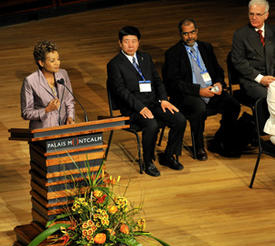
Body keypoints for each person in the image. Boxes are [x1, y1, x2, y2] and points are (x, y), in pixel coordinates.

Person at [107, 26, 186, 177]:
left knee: (180, 119)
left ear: (138, 42)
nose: (130, 45)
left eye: (134, 41)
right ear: (120, 44)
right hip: (133, 108)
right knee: (152, 124)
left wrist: (163, 99)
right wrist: (140, 107)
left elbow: (157, 81)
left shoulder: (146, 58)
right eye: (126, 42)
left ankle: (168, 156)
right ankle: (148, 161)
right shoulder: (114, 64)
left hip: (153, 103)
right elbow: (120, 91)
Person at [164, 18, 240, 159]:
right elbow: (173, 83)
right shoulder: (173, 53)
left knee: (233, 105)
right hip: (188, 94)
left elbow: (218, 71)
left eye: (192, 32)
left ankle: (220, 140)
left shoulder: (206, 48)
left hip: (211, 90)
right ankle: (198, 146)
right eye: (185, 34)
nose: (189, 37)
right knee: (199, 108)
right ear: (181, 35)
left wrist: (219, 83)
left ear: (197, 32)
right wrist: (198, 91)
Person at [21, 40, 75, 129]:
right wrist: (46, 110)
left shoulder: (63, 74)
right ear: (41, 63)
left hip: (64, 129)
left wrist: (70, 117)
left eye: (58, 59)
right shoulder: (30, 81)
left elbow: (69, 100)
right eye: (52, 60)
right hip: (43, 132)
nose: (57, 63)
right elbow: (26, 113)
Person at [231, 0, 275, 103]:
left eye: (258, 14)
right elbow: (239, 62)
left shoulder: (273, 31)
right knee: (269, 98)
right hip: (252, 79)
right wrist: (260, 79)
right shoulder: (240, 35)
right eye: (251, 14)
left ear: (266, 15)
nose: (254, 17)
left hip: (272, 77)